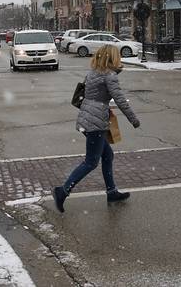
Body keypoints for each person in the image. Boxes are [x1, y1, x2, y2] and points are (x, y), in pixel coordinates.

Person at [53, 44, 140, 212]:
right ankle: (62, 191)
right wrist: (134, 120)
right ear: (112, 58)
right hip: (96, 121)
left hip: (87, 118)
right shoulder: (109, 76)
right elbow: (120, 100)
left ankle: (111, 191)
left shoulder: (93, 73)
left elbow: (87, 95)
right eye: (117, 56)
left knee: (107, 155)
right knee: (91, 162)